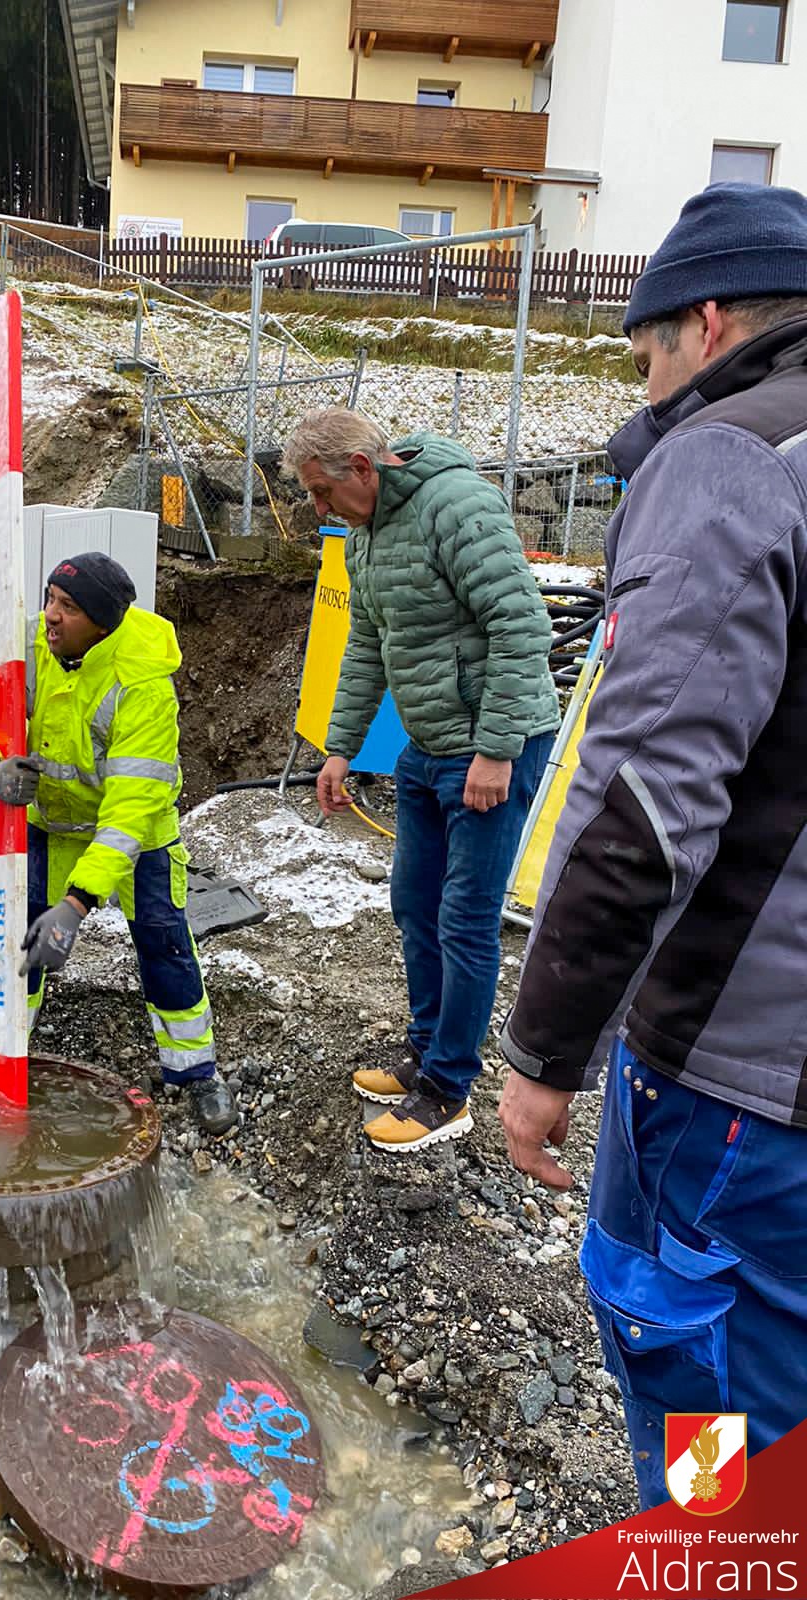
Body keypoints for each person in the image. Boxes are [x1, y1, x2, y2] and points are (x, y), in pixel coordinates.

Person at [497, 182, 807, 1507]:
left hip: (742, 1080)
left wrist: (545, 1050)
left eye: (644, 357)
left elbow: (644, 808)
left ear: (708, 322)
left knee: (715, 1421)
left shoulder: (736, 457)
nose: (648, 385)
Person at [282, 408, 558, 1154]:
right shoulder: (367, 535)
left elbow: (521, 625)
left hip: (492, 747)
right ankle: (424, 1051)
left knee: (466, 917)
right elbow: (367, 643)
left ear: (364, 470)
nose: (318, 510)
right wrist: (339, 749)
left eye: (321, 492)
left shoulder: (456, 505)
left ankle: (449, 1089)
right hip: (429, 746)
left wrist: (496, 751)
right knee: (414, 901)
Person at [0, 551, 237, 1135]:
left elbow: (129, 811)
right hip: (52, 826)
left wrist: (76, 906)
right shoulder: (24, 646)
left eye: (68, 607)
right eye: (50, 597)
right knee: (18, 938)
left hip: (136, 835)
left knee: (164, 943)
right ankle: (0, 1053)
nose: (50, 615)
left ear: (103, 624)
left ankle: (195, 1072)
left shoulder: (142, 683)